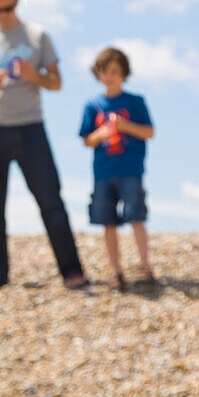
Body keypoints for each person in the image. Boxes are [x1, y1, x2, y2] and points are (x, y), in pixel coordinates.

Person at [0, 0, 87, 292]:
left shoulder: (38, 36)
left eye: (7, 8)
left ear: (17, 0)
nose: (2, 15)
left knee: (51, 201)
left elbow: (56, 82)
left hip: (31, 127)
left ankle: (72, 271)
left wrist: (35, 75)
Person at [79, 47, 155, 292]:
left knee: (136, 217)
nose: (109, 76)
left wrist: (125, 126)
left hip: (130, 169)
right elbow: (86, 140)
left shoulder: (135, 102)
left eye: (114, 71)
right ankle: (116, 272)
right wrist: (101, 133)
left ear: (123, 73)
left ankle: (145, 266)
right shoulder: (93, 105)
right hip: (103, 173)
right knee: (107, 222)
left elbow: (149, 132)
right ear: (98, 74)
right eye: (104, 71)